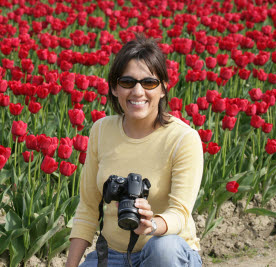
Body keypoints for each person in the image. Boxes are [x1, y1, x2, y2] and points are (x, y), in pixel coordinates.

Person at [65, 34, 204, 267]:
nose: (138, 92)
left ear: (163, 89)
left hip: (167, 254)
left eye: (149, 82)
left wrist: (153, 225)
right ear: (114, 88)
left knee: (163, 248)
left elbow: (180, 213)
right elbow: (88, 208)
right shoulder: (101, 131)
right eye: (127, 82)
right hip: (113, 255)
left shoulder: (183, 138)